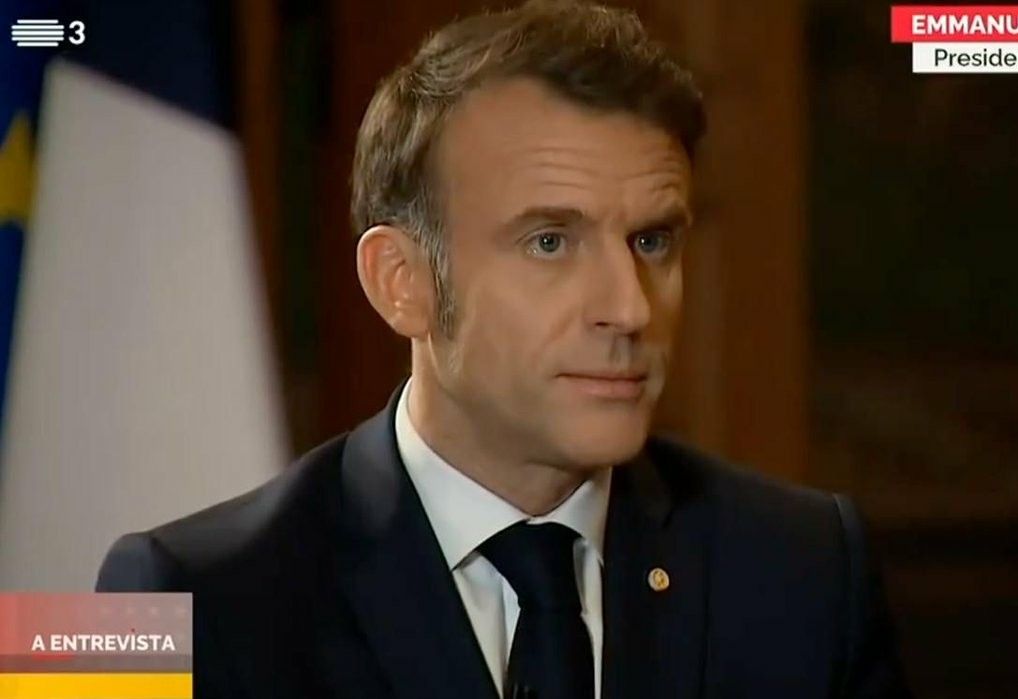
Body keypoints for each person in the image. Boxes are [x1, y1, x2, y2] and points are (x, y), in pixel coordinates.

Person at [96, 1, 911, 697]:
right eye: (550, 241)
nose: (629, 308)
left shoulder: (809, 568)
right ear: (401, 282)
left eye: (652, 241)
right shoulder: (164, 593)